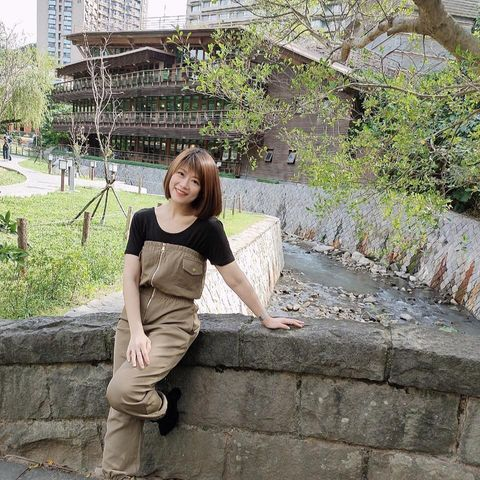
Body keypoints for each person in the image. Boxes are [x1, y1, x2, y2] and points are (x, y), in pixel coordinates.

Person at [100, 147, 304, 479]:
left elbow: (235, 278)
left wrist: (265, 317)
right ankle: (115, 474)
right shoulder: (143, 219)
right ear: (171, 173)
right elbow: (130, 277)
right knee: (120, 409)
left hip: (174, 322)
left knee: (123, 390)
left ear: (204, 189)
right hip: (134, 319)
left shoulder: (207, 229)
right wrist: (136, 331)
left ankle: (164, 408)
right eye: (181, 174)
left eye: (195, 181)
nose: (184, 184)